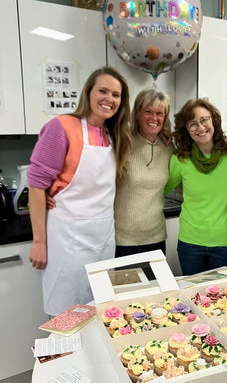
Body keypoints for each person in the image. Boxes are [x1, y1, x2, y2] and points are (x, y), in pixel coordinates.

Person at [28, 66, 132, 316]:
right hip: (67, 241)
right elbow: (36, 186)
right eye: (103, 91)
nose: (109, 99)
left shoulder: (113, 135)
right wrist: (39, 242)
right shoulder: (61, 127)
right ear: (88, 92)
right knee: (66, 315)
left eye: (116, 95)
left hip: (103, 240)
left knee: (98, 312)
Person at [164, 98, 227, 275]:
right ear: (186, 129)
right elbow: (162, 188)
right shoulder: (180, 160)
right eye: (192, 123)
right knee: (194, 298)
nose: (200, 128)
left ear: (213, 120)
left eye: (204, 120)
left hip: (225, 244)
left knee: (224, 298)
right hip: (191, 244)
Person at [114, 87, 174, 258]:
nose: (154, 118)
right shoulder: (123, 143)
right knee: (125, 285)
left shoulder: (169, 147)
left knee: (156, 285)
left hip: (156, 237)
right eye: (148, 111)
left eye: (160, 113)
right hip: (123, 240)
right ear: (138, 114)